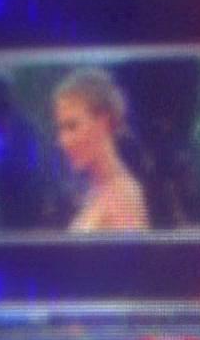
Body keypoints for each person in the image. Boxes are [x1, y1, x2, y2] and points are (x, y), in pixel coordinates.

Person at [51, 68, 151, 233]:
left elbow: (134, 251)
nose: (63, 141)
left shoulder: (123, 197)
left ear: (103, 122)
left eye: (72, 126)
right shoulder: (96, 192)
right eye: (61, 129)